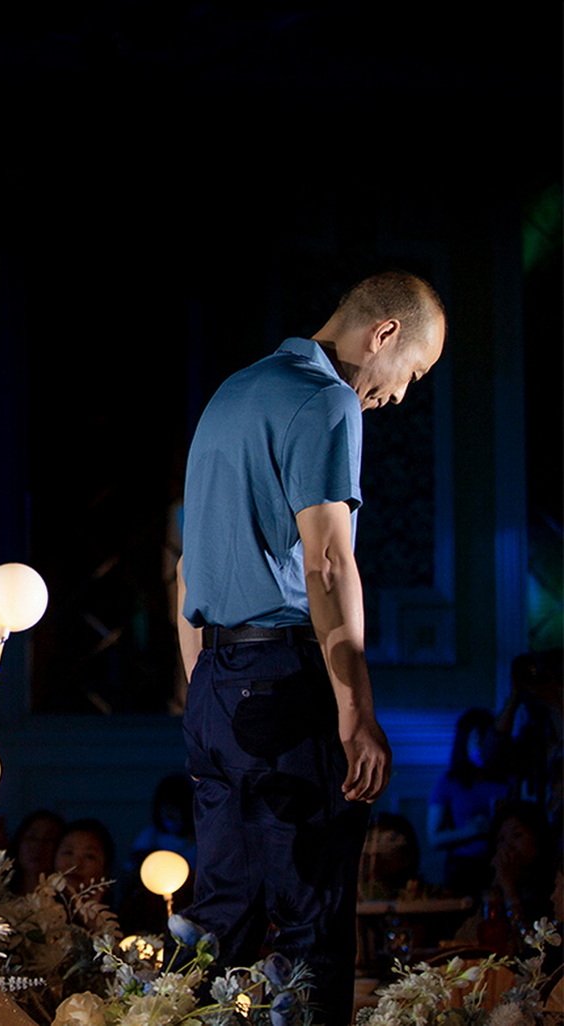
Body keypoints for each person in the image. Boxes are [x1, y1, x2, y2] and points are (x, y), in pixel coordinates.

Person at [175, 270, 446, 1022]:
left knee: (217, 927)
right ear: (384, 334)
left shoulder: (232, 393)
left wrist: (205, 692)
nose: (400, 395)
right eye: (413, 373)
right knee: (310, 926)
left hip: (215, 685)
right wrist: (357, 713)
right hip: (285, 680)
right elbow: (327, 563)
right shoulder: (326, 398)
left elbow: (187, 567)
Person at [428, 708, 512, 898]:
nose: (482, 746)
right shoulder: (449, 782)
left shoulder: (507, 781)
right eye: (477, 739)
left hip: (503, 862)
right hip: (464, 867)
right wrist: (471, 831)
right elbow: (434, 837)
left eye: (487, 739)